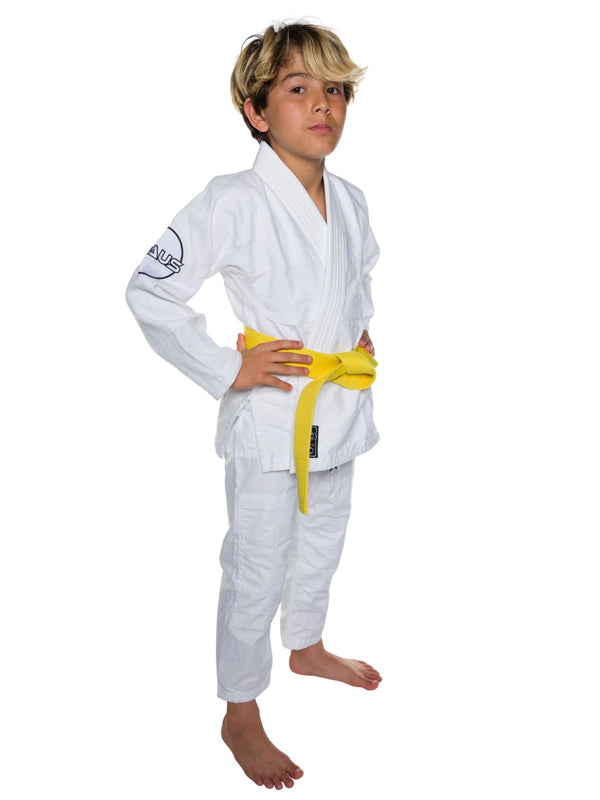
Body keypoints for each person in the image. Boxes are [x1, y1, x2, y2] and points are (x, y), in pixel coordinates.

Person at [125, 20, 383, 791]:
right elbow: (149, 289)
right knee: (256, 564)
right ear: (256, 109)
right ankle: (240, 710)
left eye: (335, 89)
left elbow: (355, 280)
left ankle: (306, 645)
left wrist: (358, 336)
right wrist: (224, 368)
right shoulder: (230, 200)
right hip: (272, 418)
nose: (323, 105)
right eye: (299, 89)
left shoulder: (355, 200)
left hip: (335, 409)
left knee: (324, 541)